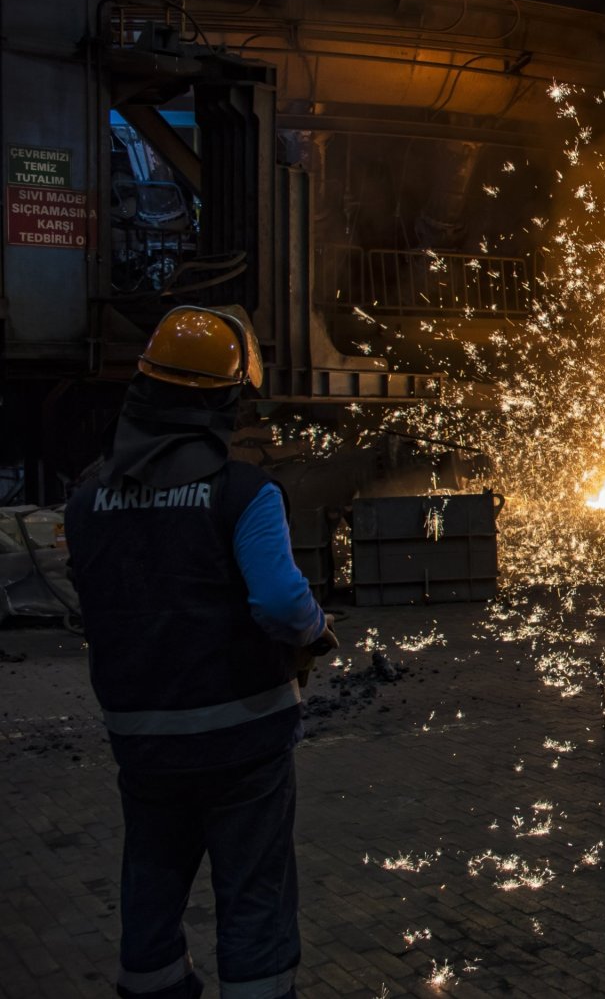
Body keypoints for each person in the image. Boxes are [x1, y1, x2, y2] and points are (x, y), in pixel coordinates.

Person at [65, 305, 336, 999]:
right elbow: (280, 602)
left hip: (142, 741)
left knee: (150, 892)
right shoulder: (244, 493)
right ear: (223, 400)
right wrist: (314, 631)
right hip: (241, 741)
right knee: (253, 900)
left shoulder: (89, 496)